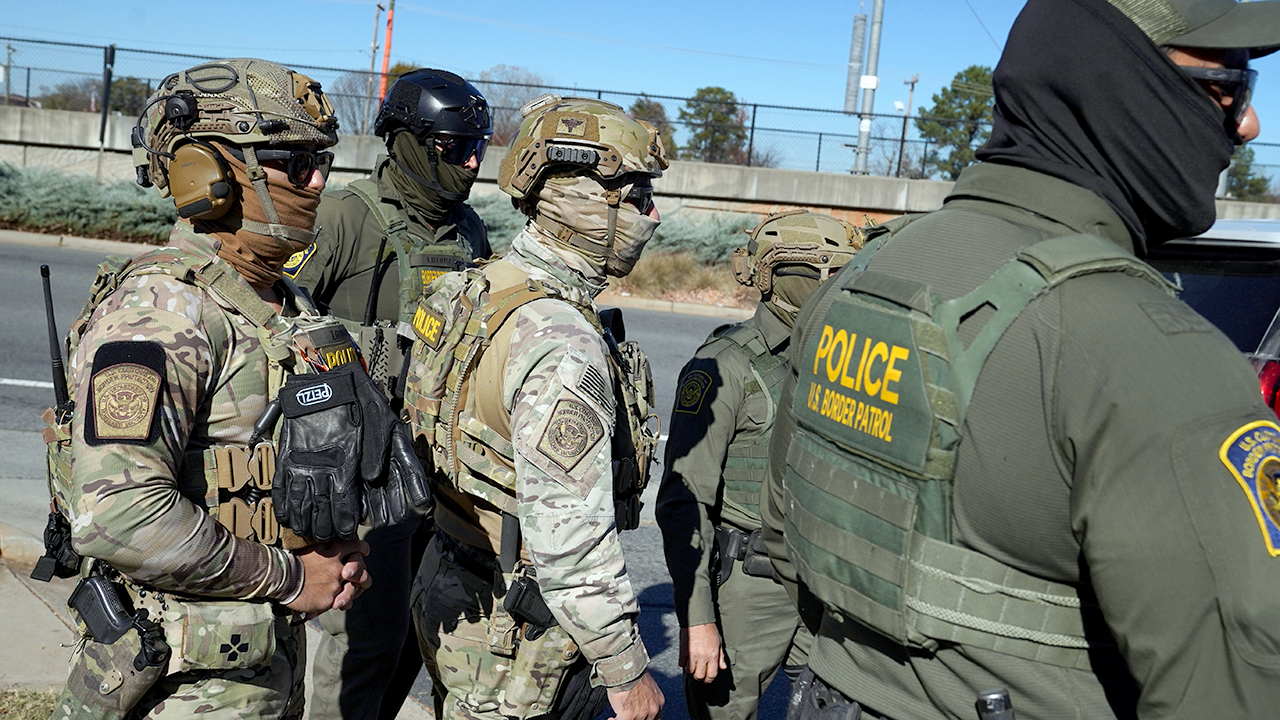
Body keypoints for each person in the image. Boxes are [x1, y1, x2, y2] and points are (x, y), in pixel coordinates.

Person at [762, 1, 1280, 719]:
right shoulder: (1152, 355)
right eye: (1226, 89)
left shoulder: (860, 278)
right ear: (1118, 83)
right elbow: (1236, 691)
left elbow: (787, 533)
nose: (1248, 124)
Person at [46, 58, 376, 720]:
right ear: (209, 175)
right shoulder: (162, 311)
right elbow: (117, 515)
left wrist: (332, 548)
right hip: (185, 686)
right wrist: (292, 577)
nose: (317, 182)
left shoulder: (283, 300)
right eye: (295, 163)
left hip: (264, 661)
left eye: (322, 162)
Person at [401, 95, 667, 720]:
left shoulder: (481, 285)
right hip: (513, 633)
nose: (653, 216)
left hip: (450, 582)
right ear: (585, 204)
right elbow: (570, 539)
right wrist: (624, 667)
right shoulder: (560, 342)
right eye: (638, 197)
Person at [289, 68, 493, 720]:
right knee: (364, 640)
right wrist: (372, 353)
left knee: (416, 636)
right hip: (367, 472)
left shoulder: (468, 231)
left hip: (442, 471)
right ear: (409, 142)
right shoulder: (345, 217)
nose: (472, 162)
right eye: (456, 146)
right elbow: (279, 325)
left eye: (477, 147)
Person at [656, 210, 862, 720]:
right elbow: (684, 500)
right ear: (781, 273)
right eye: (832, 273)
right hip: (748, 589)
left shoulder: (840, 359)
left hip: (824, 584)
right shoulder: (724, 365)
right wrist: (698, 619)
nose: (844, 288)